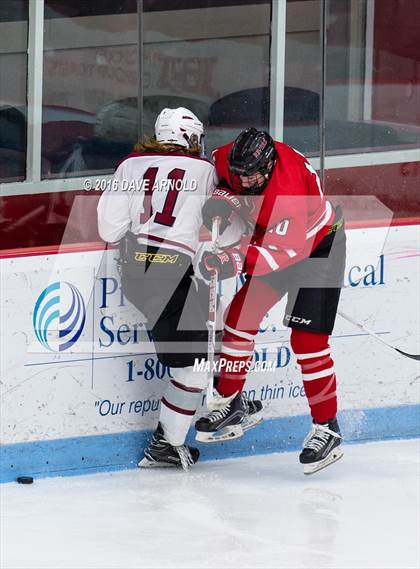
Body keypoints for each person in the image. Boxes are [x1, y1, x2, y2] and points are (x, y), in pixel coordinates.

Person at [194, 128, 346, 474]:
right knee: (238, 319)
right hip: (272, 242)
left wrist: (233, 259)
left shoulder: (287, 189)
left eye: (252, 176)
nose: (245, 182)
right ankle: (232, 402)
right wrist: (223, 195)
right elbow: (222, 177)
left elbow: (281, 256)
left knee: (307, 341)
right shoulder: (230, 159)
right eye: (240, 176)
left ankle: (327, 428)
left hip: (317, 247)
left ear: (268, 164)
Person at [97, 107, 218, 470]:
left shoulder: (130, 166)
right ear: (190, 138)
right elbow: (221, 226)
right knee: (196, 365)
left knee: (197, 361)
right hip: (172, 273)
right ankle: (166, 444)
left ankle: (168, 441)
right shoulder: (206, 171)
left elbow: (109, 231)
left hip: (139, 274)